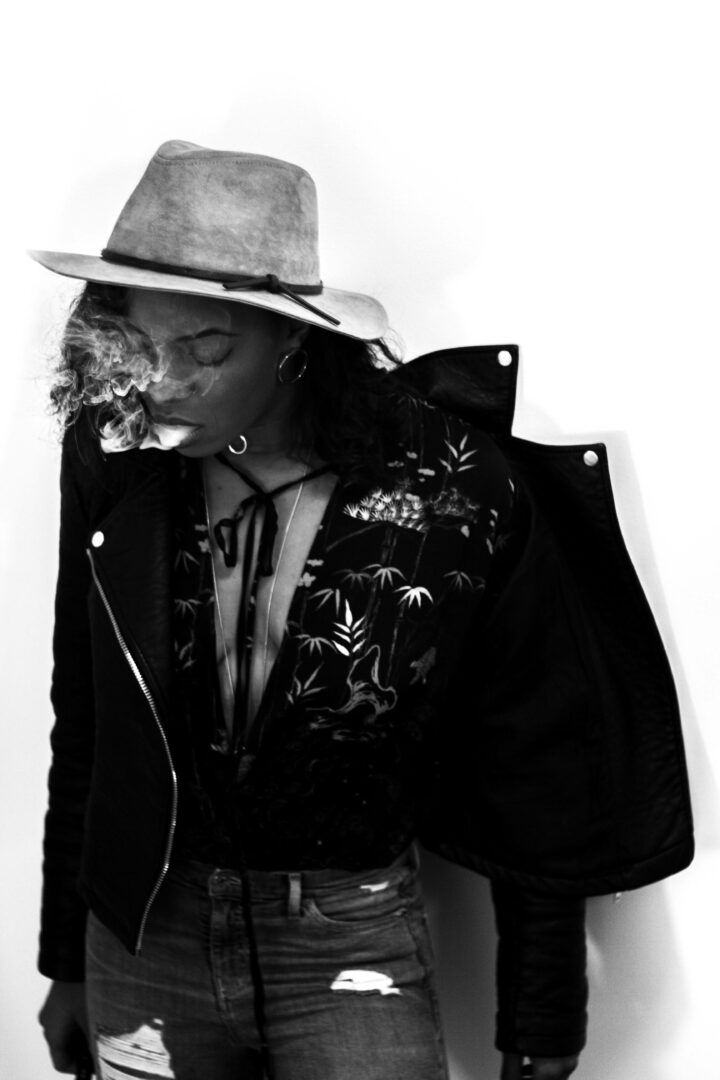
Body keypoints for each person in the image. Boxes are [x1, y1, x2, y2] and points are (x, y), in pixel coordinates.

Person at [31, 140, 693, 1080]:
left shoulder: (449, 488)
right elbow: (89, 716)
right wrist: (66, 957)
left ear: (293, 336)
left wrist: (543, 1019)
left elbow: (538, 754)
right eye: (139, 347)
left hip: (348, 944)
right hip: (145, 935)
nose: (163, 382)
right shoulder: (117, 457)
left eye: (206, 348)